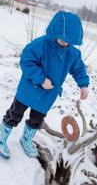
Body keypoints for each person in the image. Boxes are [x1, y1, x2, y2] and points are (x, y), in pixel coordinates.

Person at [0, 11, 89, 159]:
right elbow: (26, 61)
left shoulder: (72, 53)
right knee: (15, 114)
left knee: (37, 119)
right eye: (63, 40)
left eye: (69, 41)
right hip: (28, 89)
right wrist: (41, 79)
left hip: (47, 94)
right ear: (55, 32)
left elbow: (79, 69)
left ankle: (26, 139)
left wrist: (83, 85)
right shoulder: (41, 44)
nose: (66, 44)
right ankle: (2, 137)